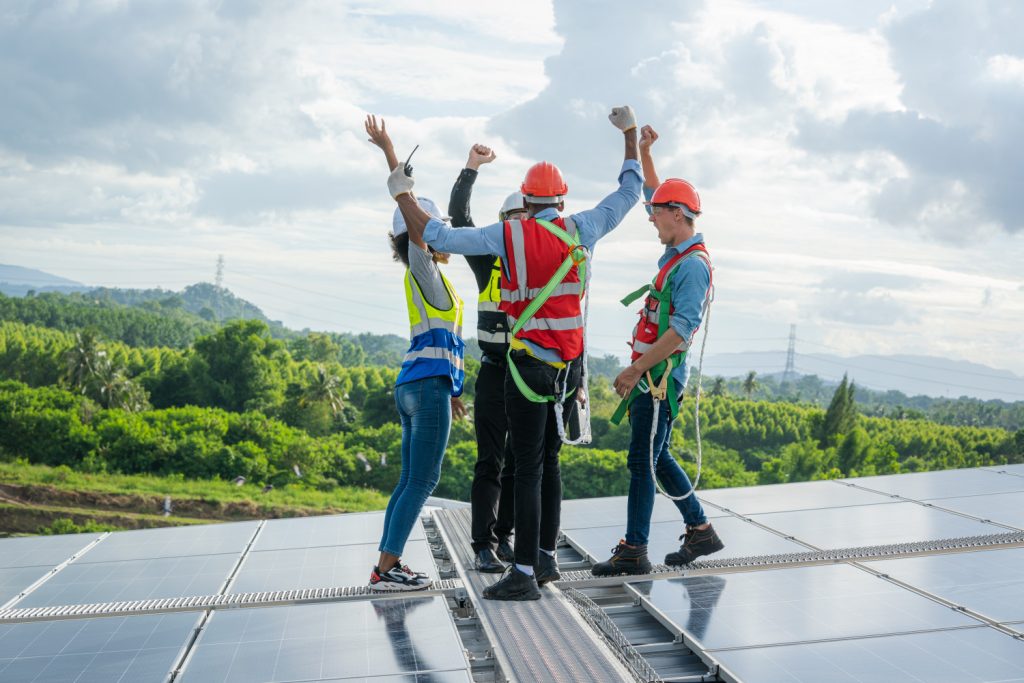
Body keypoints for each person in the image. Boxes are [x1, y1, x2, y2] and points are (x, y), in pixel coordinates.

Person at [388, 106, 642, 600]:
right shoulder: (581, 229)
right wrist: (630, 136)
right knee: (548, 464)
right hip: (564, 372)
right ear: (562, 199)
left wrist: (402, 193)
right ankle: (543, 556)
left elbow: (440, 234)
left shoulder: (508, 235)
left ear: (525, 198)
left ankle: (524, 570)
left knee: (524, 468)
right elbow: (630, 192)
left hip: (524, 369)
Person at [592, 125, 724, 577]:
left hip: (657, 380)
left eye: (656, 213)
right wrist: (644, 151)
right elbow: (655, 192)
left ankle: (634, 548)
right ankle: (701, 530)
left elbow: (682, 331)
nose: (650, 217)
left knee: (641, 462)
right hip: (654, 377)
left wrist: (634, 370)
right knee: (657, 457)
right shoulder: (680, 248)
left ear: (678, 214)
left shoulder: (691, 267)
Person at [364, 114, 469, 591]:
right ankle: (387, 569)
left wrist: (453, 391)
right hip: (424, 389)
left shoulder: (423, 273)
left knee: (409, 481)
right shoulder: (423, 266)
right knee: (423, 482)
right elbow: (414, 221)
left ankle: (386, 566)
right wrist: (391, 153)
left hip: (419, 387)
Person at [447, 145, 521, 573]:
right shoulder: (488, 261)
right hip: (495, 373)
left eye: (525, 219)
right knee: (490, 462)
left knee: (519, 463)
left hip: (530, 373)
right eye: (512, 220)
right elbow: (460, 218)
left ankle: (506, 538)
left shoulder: (545, 265)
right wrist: (471, 167)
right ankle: (482, 543)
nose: (519, 227)